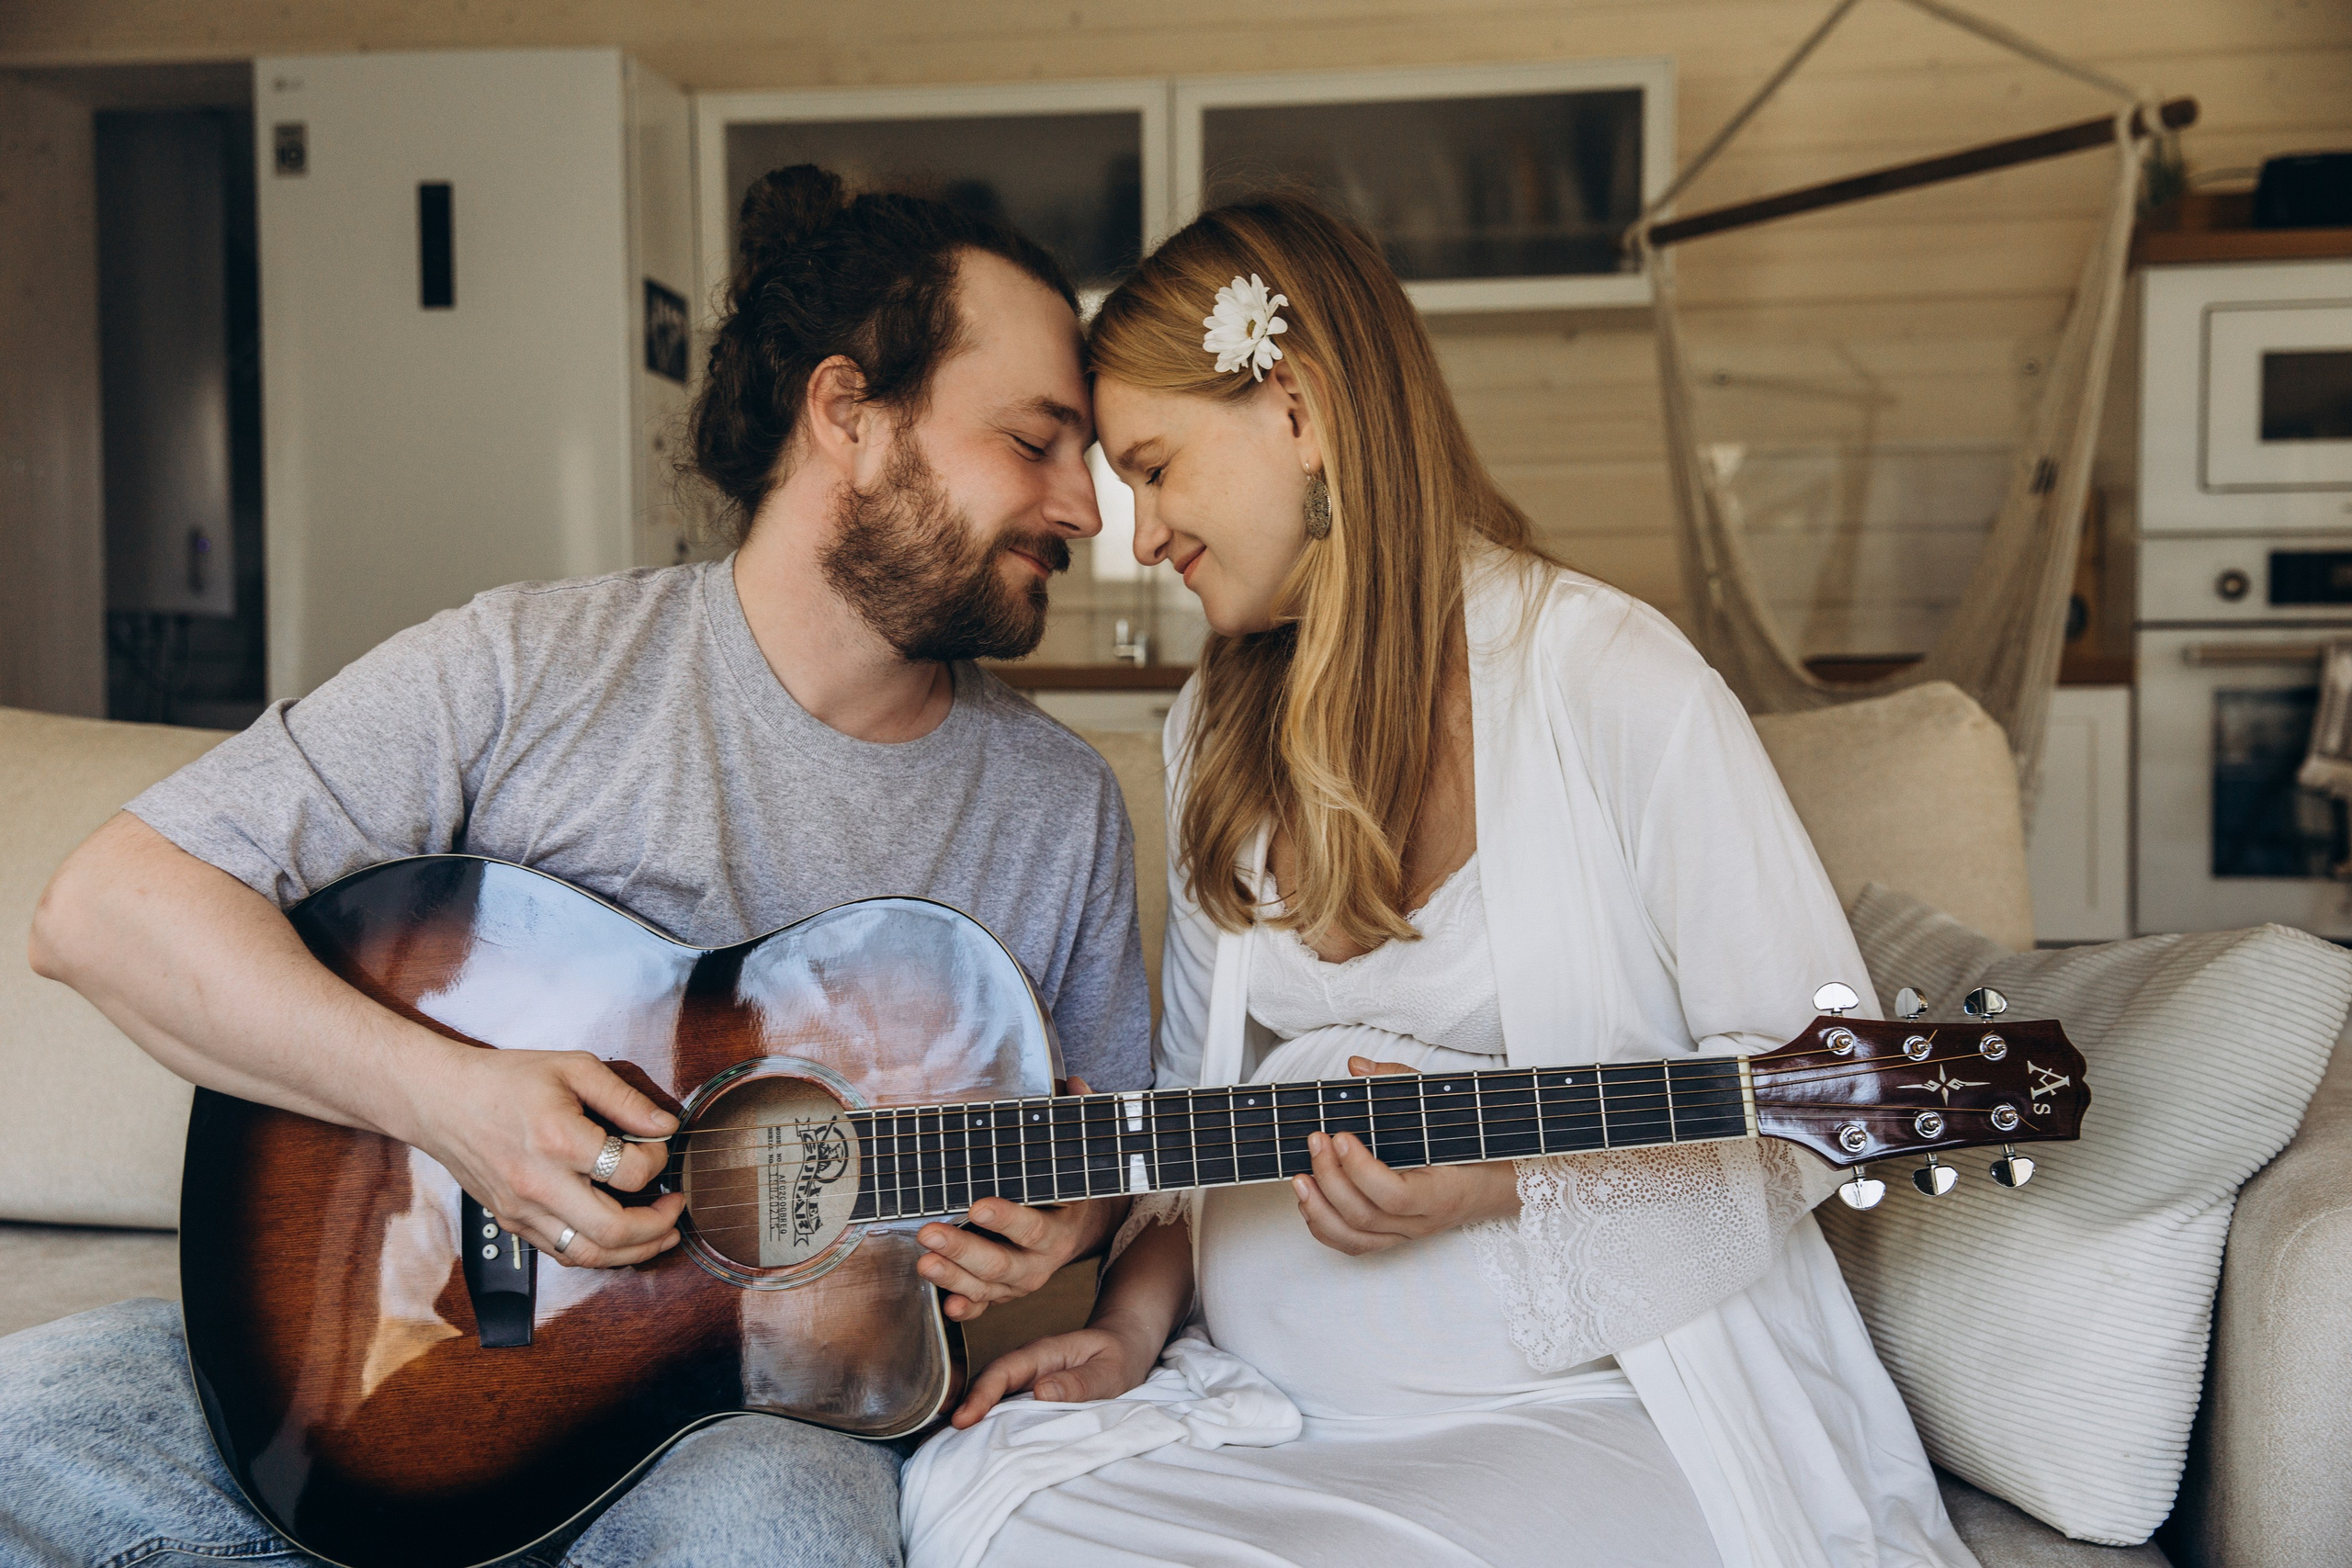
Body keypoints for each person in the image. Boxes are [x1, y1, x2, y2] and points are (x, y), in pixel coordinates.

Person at [7, 165, 1149, 1568]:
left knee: (780, 1543)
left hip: (756, 1423)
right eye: (1035, 441)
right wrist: (459, 1103)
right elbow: (103, 912)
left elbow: (1127, 1159)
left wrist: (1072, 1217)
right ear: (849, 413)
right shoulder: (523, 667)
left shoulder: (1059, 807)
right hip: (375, 1344)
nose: (1084, 508)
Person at [897, 197, 1977, 1568]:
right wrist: (1120, 1329)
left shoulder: (1613, 682)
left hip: (1592, 1398)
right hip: (1271, 1405)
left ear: (1296, 406)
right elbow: (1186, 1133)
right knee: (982, 1509)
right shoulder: (1213, 729)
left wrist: (1493, 1178)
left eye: (1158, 468)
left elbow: (1808, 1103)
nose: (1146, 532)